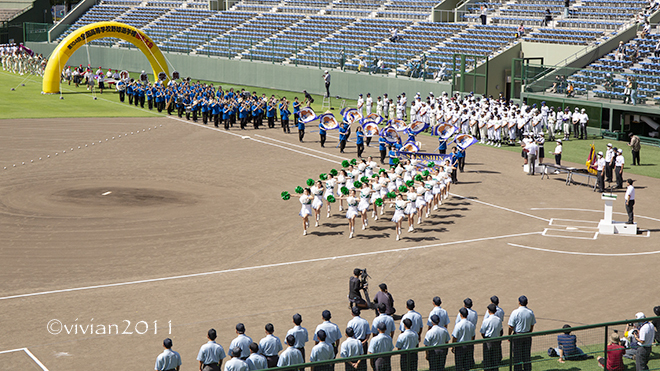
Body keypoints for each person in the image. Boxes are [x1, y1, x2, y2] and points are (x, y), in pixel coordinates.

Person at [508, 296, 536, 371]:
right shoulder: (530, 312)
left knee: (517, 356)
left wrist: (509, 335)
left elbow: (511, 326)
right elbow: (532, 324)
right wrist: (530, 332)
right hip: (527, 335)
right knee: (527, 355)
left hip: (517, 336)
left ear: (519, 302)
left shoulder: (515, 312)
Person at [480, 304, 503, 371]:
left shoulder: (486, 320)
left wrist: (485, 338)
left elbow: (482, 332)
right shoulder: (499, 320)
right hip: (496, 340)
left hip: (488, 341)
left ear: (489, 311)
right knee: (495, 360)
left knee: (487, 360)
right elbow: (501, 330)